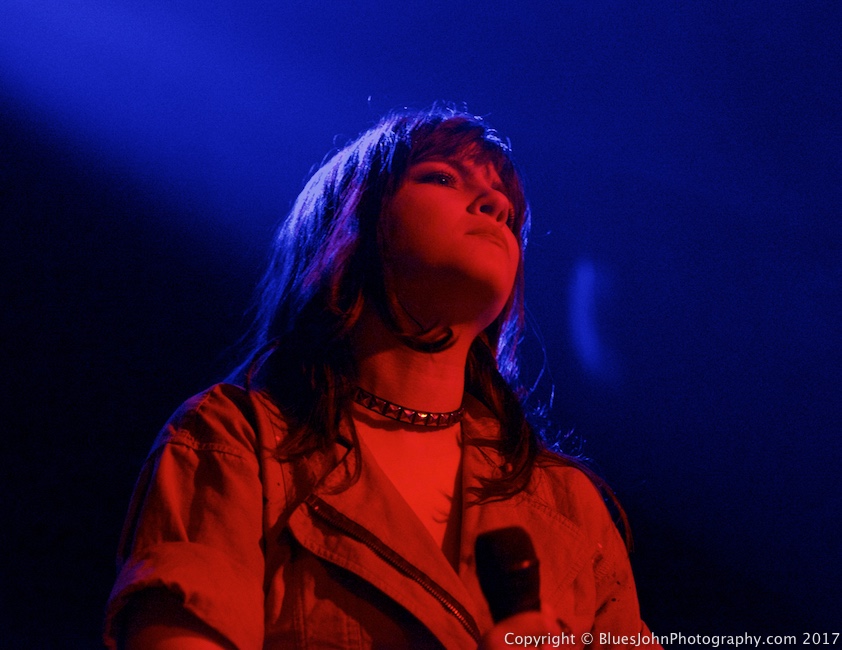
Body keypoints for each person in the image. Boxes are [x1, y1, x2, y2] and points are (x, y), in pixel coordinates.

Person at [104, 106, 658, 649]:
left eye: (507, 213)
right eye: (443, 177)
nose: (494, 204)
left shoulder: (570, 506)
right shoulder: (235, 441)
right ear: (354, 222)